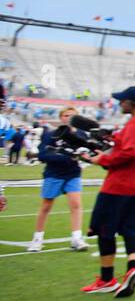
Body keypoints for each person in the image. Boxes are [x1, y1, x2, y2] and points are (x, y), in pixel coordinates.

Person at [81, 86, 135, 298]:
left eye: (123, 100)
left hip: (122, 185)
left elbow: (131, 151)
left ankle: (106, 279)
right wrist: (114, 138)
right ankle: (132, 267)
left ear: (133, 103)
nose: (119, 103)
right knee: (131, 229)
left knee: (105, 229)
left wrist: (103, 159)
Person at [29, 106, 90, 252]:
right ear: (61, 117)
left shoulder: (82, 134)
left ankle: (76, 238)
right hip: (53, 173)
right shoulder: (50, 134)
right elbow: (43, 155)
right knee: (46, 206)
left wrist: (83, 157)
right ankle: (37, 239)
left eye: (73, 116)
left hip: (73, 174)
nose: (69, 118)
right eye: (66, 115)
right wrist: (63, 156)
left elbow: (87, 153)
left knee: (75, 204)